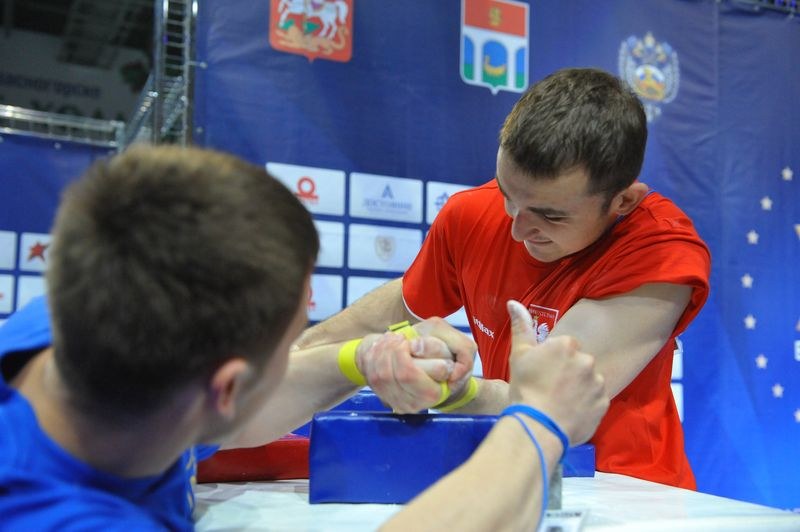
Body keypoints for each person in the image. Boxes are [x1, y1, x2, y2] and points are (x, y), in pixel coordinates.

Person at [0, 145, 609, 530]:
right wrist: (537, 423)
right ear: (228, 388)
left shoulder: (78, 331)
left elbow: (231, 416)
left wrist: (358, 358)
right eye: (291, 341)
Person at [297, 67, 712, 489]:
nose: (516, 229)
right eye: (507, 194)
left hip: (626, 489)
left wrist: (446, 387)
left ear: (623, 201)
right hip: (510, 468)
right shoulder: (470, 214)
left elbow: (545, 399)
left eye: (550, 215)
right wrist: (289, 361)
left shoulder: (661, 250)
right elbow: (385, 313)